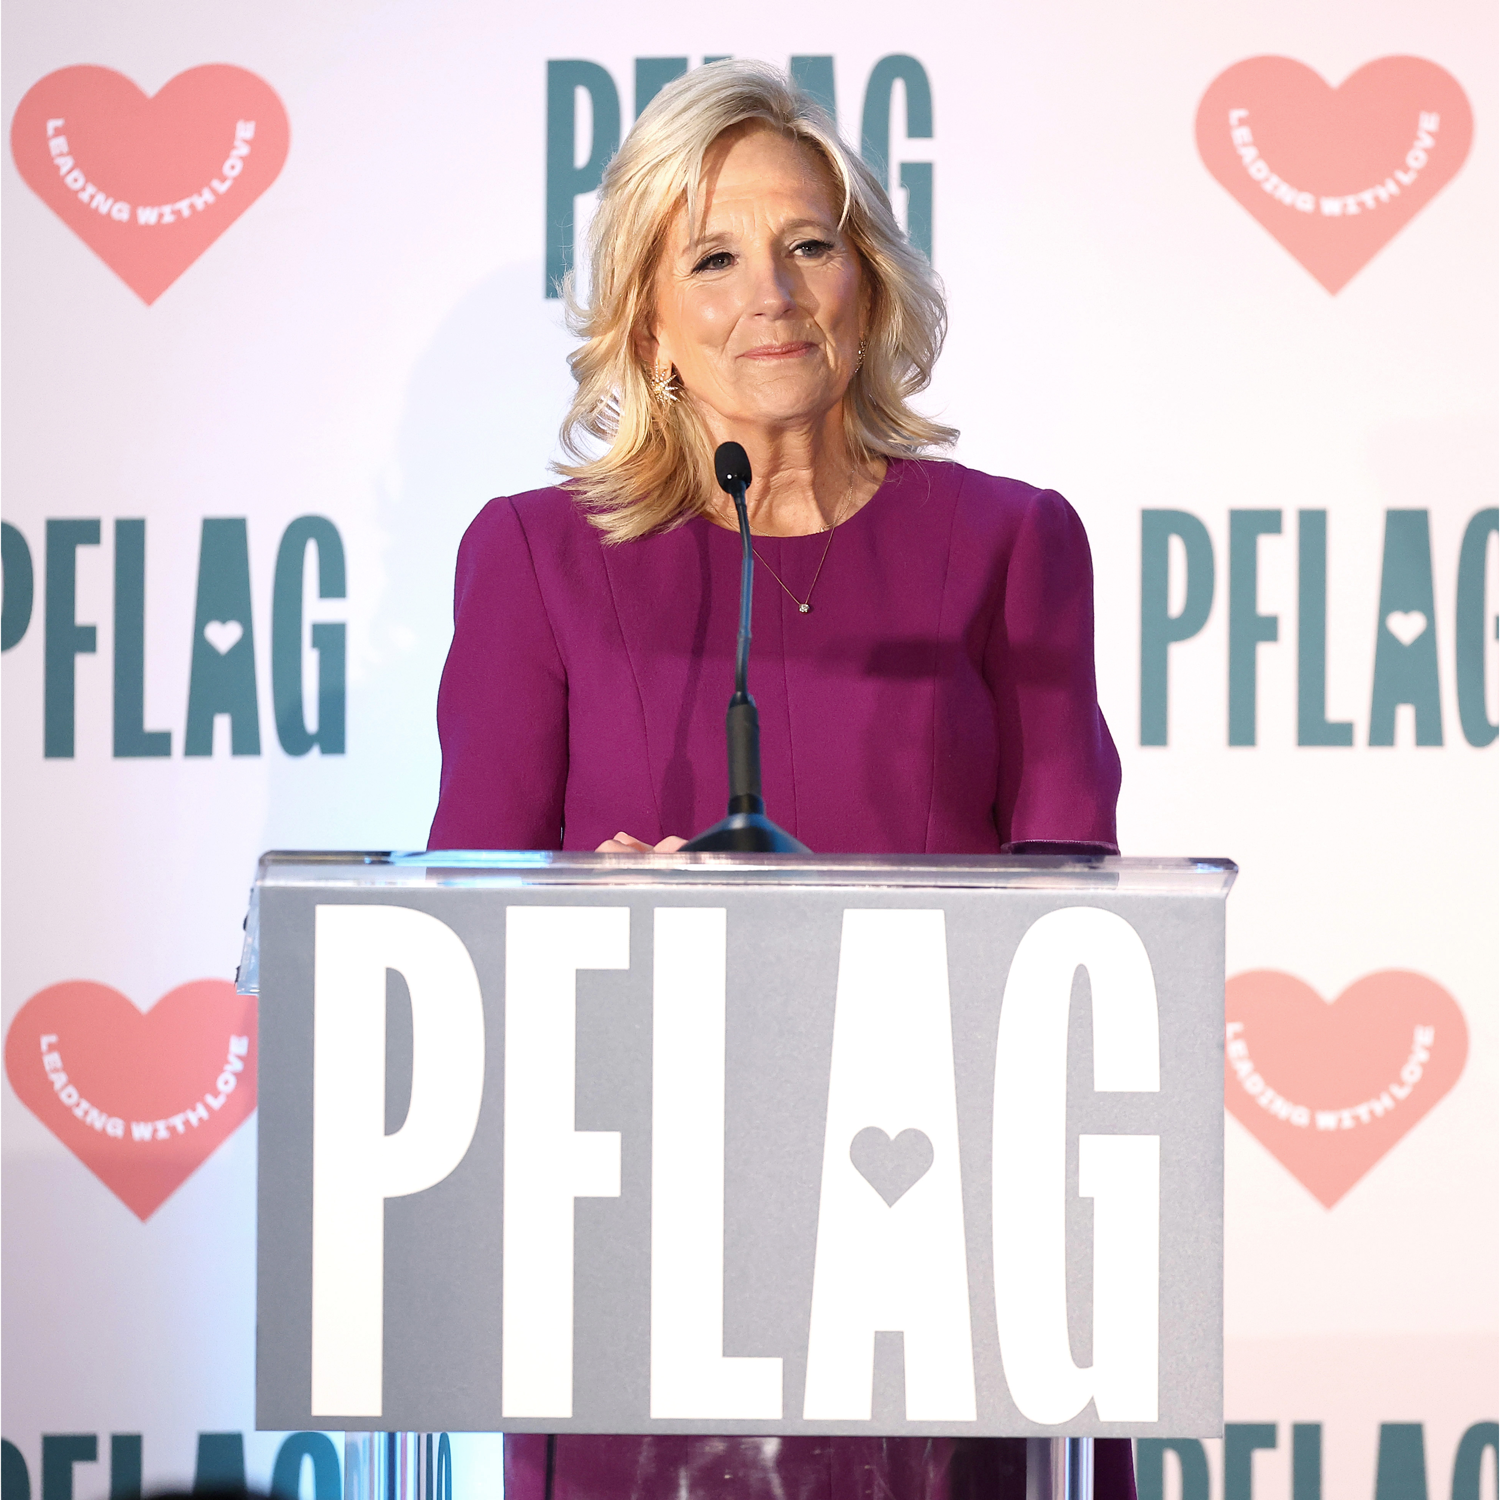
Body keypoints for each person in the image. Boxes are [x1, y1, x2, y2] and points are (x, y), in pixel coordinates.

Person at [429, 58, 1127, 1500]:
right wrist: (575, 921)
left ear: (867, 283)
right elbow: (456, 932)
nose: (774, 295)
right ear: (647, 317)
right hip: (645, 1264)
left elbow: (1083, 935)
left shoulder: (1012, 546)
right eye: (715, 257)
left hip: (948, 1269)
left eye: (811, 245)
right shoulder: (536, 562)